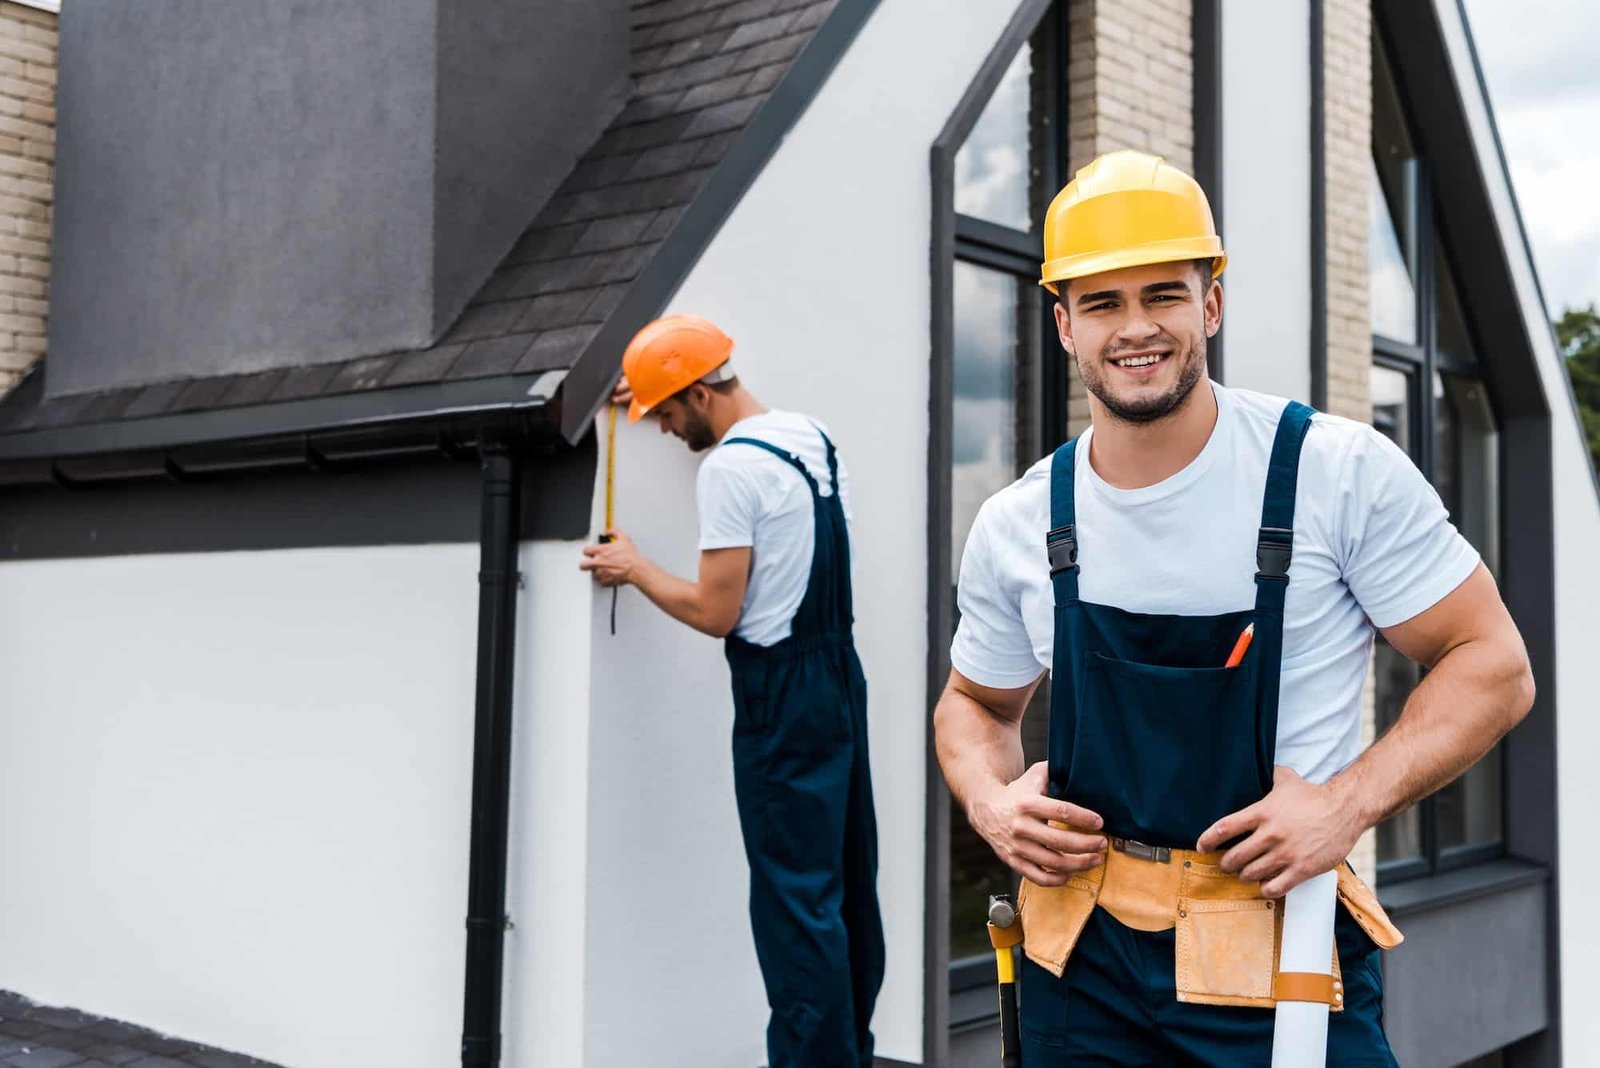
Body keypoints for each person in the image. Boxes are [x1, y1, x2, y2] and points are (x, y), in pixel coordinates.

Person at [934, 149, 1535, 1065]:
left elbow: (1492, 663)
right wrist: (988, 799)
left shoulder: (1333, 473)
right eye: (1102, 302)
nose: (1136, 328)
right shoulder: (1021, 521)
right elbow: (974, 705)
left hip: (1274, 950)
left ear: (1209, 304)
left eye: (1162, 295)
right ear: (1063, 324)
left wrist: (1345, 805)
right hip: (1080, 963)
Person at [581, 314, 884, 1068]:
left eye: (667, 413)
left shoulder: (727, 472)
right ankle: (847, 1052)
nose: (661, 430)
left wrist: (635, 567)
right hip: (840, 678)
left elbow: (718, 613)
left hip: (780, 694)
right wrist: (652, 386)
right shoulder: (808, 436)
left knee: (793, 903)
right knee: (845, 885)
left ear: (696, 394)